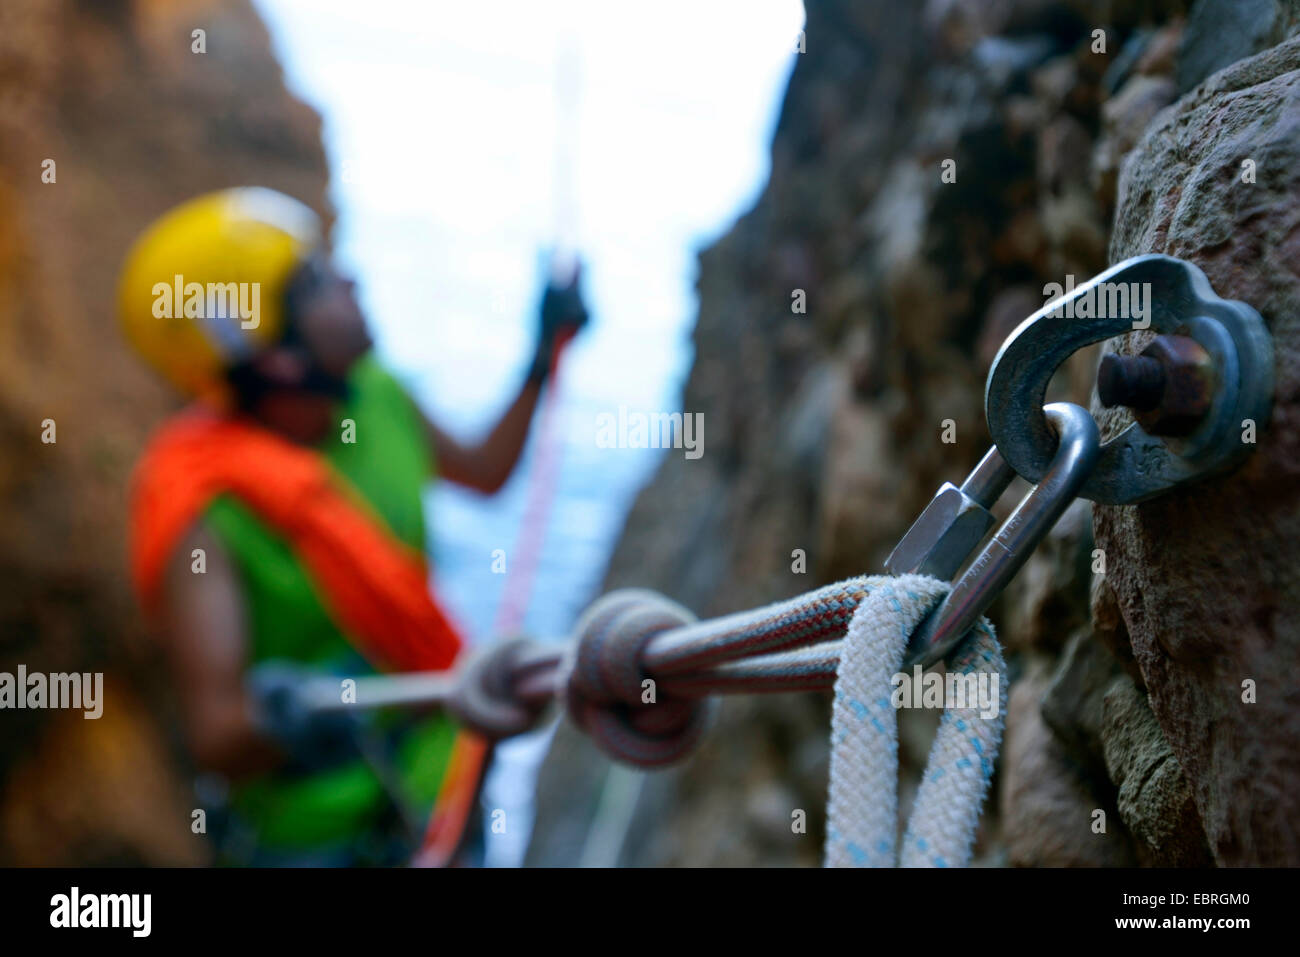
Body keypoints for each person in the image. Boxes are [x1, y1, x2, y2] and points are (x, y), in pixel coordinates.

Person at [118, 187, 586, 865]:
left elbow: (484, 471)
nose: (349, 280)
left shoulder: (374, 395)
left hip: (439, 790)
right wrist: (291, 714)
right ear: (273, 353)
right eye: (315, 282)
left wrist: (541, 357)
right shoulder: (204, 504)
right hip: (319, 840)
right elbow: (216, 732)